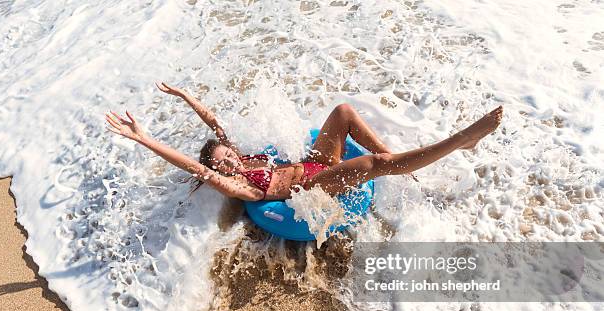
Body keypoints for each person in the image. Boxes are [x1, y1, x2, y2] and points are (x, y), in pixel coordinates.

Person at [105, 82, 503, 201]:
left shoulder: (244, 156)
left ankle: (392, 155)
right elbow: (193, 166)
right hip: (311, 188)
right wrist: (143, 139)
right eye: (223, 164)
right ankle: (459, 141)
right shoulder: (242, 187)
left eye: (229, 155)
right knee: (371, 167)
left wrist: (186, 97)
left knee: (344, 111)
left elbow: (217, 125)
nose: (230, 162)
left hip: (316, 163)